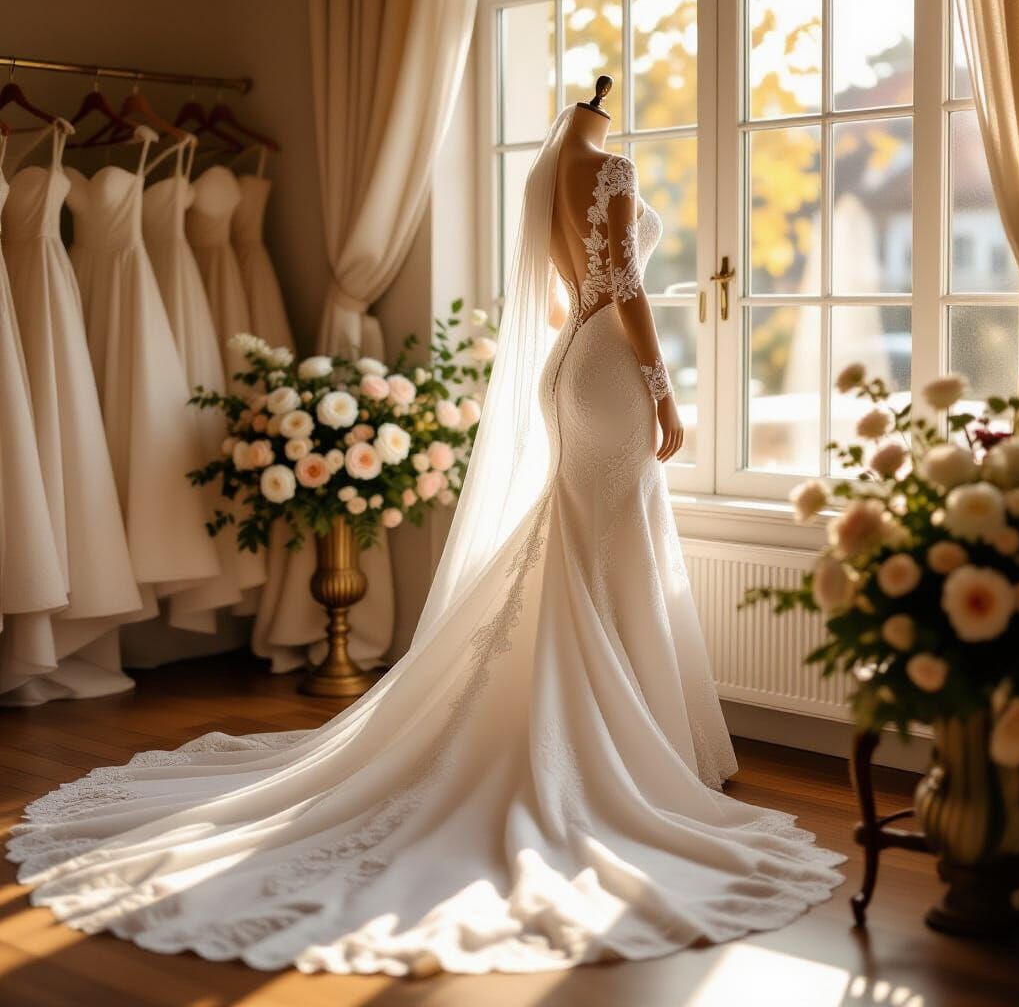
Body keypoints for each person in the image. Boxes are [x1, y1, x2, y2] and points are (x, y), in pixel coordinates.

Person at [7, 100, 844, 977]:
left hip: (572, 366)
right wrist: (665, 390)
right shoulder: (609, 172)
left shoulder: (545, 172)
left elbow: (568, 292)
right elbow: (626, 288)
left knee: (589, 535)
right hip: (611, 367)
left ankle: (632, 729)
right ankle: (623, 744)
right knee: (610, 534)